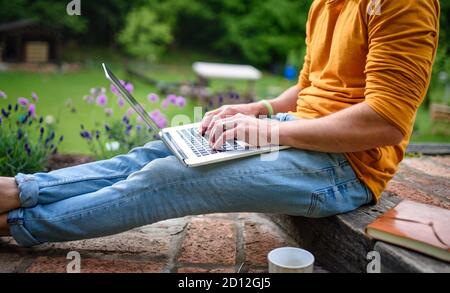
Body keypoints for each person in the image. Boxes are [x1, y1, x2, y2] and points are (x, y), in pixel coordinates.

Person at [0, 0, 439, 247]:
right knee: (159, 150)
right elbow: (308, 88)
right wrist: (259, 110)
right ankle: (20, 189)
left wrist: (271, 132)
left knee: (169, 177)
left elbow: (385, 121)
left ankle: (18, 223)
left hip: (346, 167)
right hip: (299, 131)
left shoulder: (404, 4)